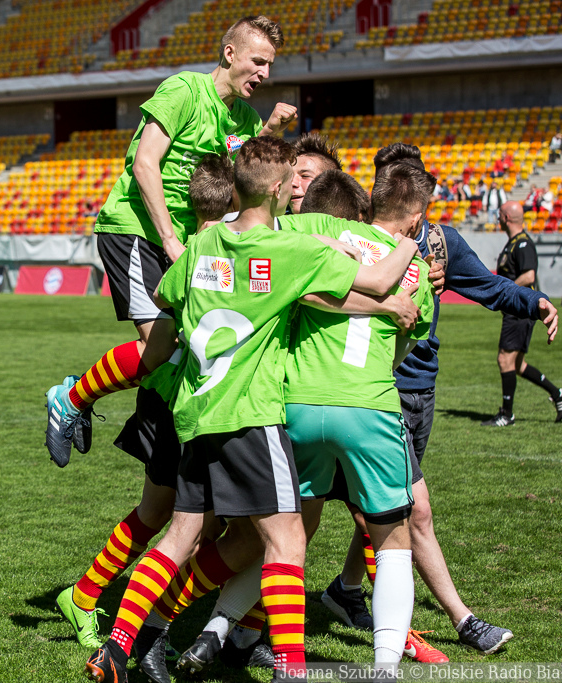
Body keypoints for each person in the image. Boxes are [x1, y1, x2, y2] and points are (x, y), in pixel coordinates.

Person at [83, 136, 421, 683]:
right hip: (251, 414)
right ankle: (291, 669)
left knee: (179, 536)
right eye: (293, 180)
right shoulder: (289, 252)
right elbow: (381, 282)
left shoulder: (204, 242)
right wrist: (406, 241)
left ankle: (117, 648)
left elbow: (167, 296)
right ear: (279, 187)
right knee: (287, 541)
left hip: (196, 412)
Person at [320, 145, 559, 659]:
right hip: (369, 390)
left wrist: (533, 301)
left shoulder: (441, 242)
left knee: (385, 507)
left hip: (419, 391)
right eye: (388, 180)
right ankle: (459, 619)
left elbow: (489, 287)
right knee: (411, 511)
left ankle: (344, 589)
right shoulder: (353, 236)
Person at [43, 15, 298, 468]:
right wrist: (169, 240)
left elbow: (241, 179)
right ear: (230, 53)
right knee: (161, 345)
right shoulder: (184, 90)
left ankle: (155, 439)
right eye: (258, 61)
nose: (264, 74)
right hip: (137, 229)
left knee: (183, 347)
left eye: (270, 66)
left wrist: (270, 132)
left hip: (182, 240)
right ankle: (73, 398)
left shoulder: (245, 118)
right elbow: (145, 164)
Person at [54, 153, 234, 651]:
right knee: (197, 524)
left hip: (185, 396)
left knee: (167, 515)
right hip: (184, 399)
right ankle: (155, 628)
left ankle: (88, 598)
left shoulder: (210, 243)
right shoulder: (217, 248)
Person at [482, 201, 562, 427]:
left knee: (505, 359)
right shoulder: (512, 244)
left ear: (506, 217)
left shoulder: (523, 244)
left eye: (500, 215)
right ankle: (558, 394)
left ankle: (507, 414)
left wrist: (506, 290)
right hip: (516, 311)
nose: (498, 219)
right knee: (518, 364)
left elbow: (529, 276)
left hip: (519, 311)